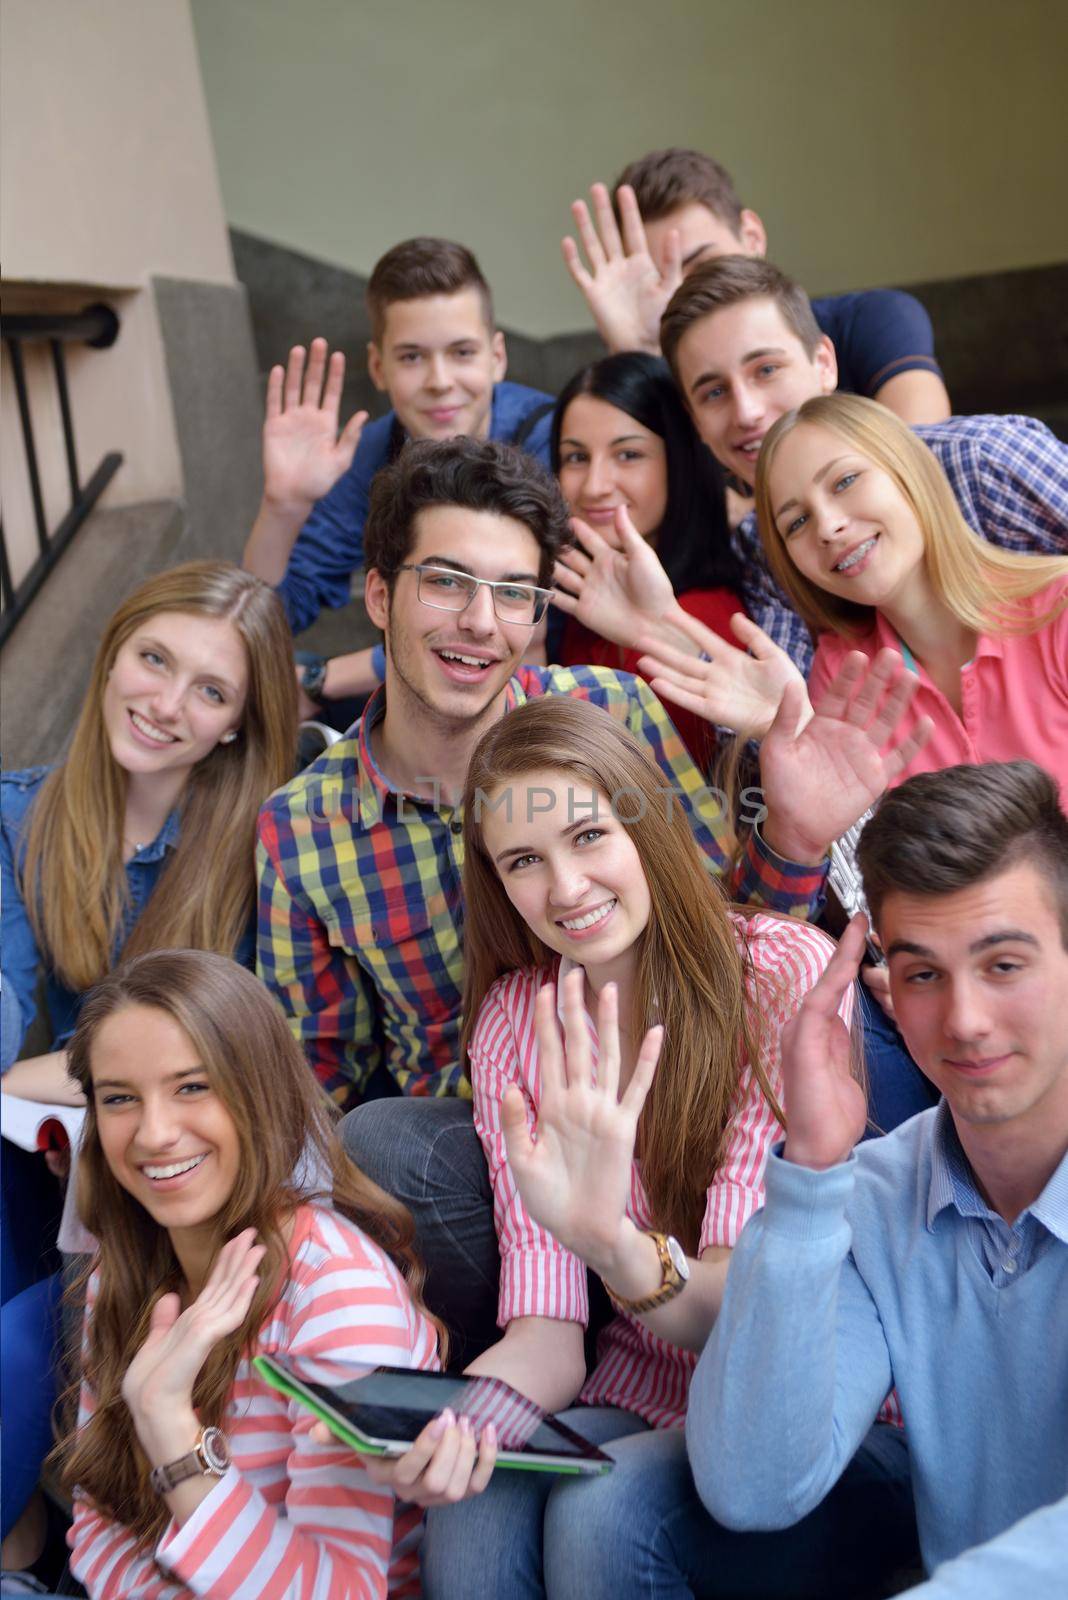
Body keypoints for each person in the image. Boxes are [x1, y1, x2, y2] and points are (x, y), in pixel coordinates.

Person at [256, 433, 929, 1359]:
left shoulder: (608, 708)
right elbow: (315, 1077)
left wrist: (795, 840)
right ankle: (538, 1337)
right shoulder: (301, 828)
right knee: (379, 1145)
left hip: (678, 1108)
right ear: (380, 595)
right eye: (446, 583)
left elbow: (721, 934)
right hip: (493, 1162)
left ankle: (676, 1301)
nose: (479, 624)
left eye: (514, 595)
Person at [688, 759, 1068, 1596]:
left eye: (1004, 965)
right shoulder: (872, 1191)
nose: (964, 1021)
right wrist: (810, 1175)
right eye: (923, 973)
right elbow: (752, 1487)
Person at [52, 947, 440, 1598]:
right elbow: (101, 1527)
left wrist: (171, 1426)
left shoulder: (338, 1290)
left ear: (259, 1093)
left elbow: (345, 1590)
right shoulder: (122, 1270)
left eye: (192, 1087)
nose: (154, 1133)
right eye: (120, 1098)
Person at [653, 254, 1068, 676]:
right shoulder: (761, 545)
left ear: (824, 364)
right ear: (695, 423)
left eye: (767, 369)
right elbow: (782, 698)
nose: (747, 411)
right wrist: (653, 624)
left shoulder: (985, 460)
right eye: (714, 393)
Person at [1, 561, 297, 1111]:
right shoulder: (16, 816)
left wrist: (8, 1088)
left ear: (236, 723)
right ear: (114, 653)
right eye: (155, 659)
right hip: (70, 1117)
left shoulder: (269, 847)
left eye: (210, 692)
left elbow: (213, 1047)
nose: (166, 705)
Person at [241, 237, 555, 721]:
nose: (439, 380)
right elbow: (264, 620)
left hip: (524, 681)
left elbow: (536, 624)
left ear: (497, 355)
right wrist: (283, 506)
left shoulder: (549, 437)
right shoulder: (369, 454)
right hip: (414, 678)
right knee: (247, 684)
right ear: (377, 366)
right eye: (412, 357)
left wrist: (327, 679)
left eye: (462, 352)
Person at [562, 147, 951, 424]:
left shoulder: (872, 319)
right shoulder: (675, 389)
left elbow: (920, 462)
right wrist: (638, 353)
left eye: (701, 262)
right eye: (658, 279)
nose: (678, 291)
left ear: (751, 236)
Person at [551, 350, 744, 761]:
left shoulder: (710, 619)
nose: (595, 486)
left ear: (679, 463)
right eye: (576, 458)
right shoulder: (577, 603)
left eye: (628, 454)